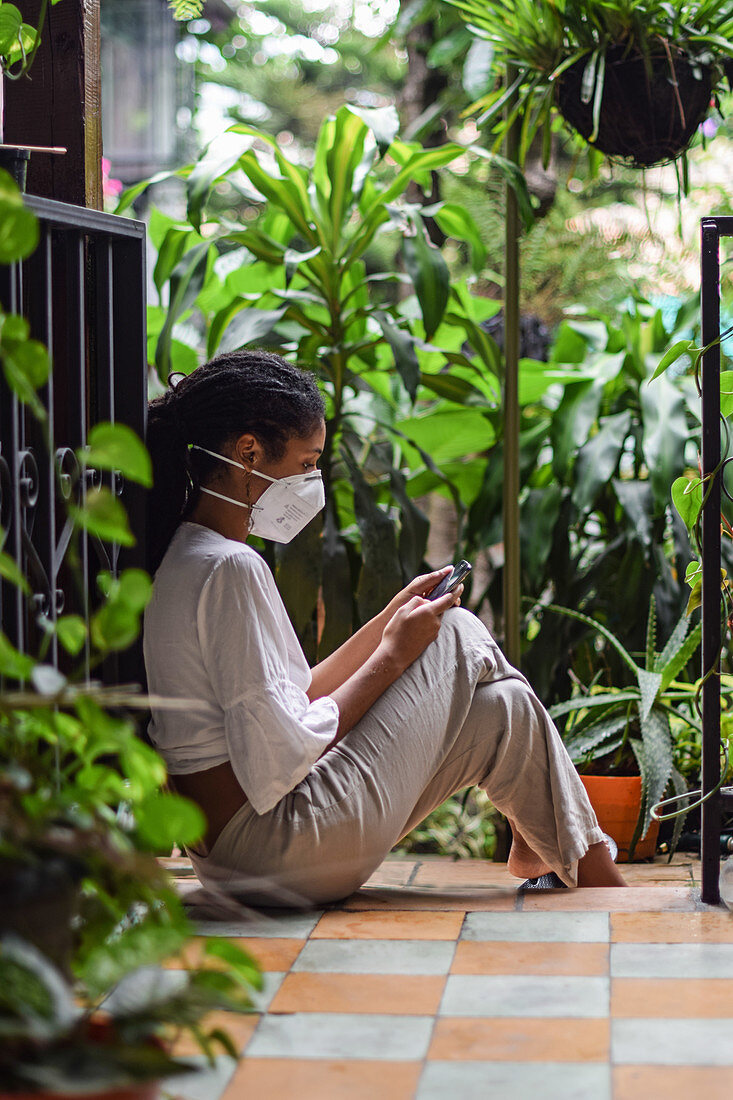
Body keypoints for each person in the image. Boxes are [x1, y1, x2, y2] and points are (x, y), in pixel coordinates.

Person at [143, 350, 626, 906]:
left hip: (234, 863)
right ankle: (582, 872)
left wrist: (385, 624)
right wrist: (394, 655)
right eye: (305, 464)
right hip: (276, 852)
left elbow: (297, 699)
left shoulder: (194, 555)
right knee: (456, 631)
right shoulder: (230, 567)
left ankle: (563, 864)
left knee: (504, 710)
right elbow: (280, 757)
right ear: (248, 452)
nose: (311, 481)